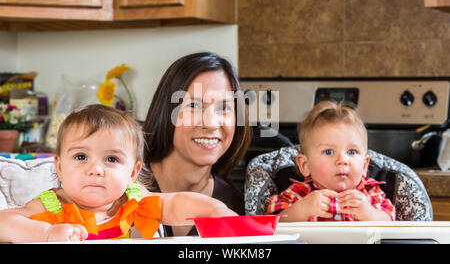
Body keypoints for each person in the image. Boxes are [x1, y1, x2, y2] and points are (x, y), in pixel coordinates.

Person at [0, 104, 237, 243]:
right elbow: (4, 222)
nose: (95, 169)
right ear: (60, 167)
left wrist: (213, 209)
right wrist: (47, 234)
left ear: (133, 171)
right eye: (81, 157)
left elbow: (174, 203)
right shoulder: (52, 207)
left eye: (111, 159)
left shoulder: (133, 200)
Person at [140, 52, 252, 236]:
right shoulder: (123, 184)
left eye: (224, 108)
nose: (211, 123)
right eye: (194, 106)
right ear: (167, 111)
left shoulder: (235, 206)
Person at [267, 101, 395, 222]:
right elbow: (274, 224)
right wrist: (302, 210)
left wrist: (369, 213)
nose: (342, 160)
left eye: (351, 152)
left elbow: (391, 224)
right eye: (328, 152)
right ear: (305, 165)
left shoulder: (371, 193)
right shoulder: (297, 194)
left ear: (364, 165)